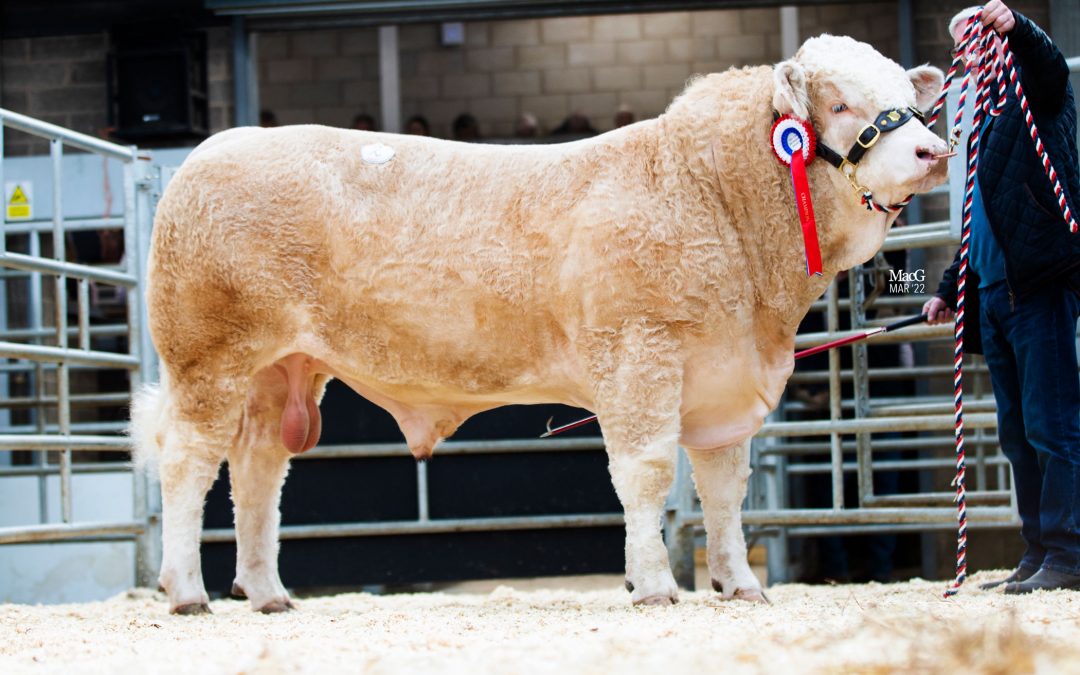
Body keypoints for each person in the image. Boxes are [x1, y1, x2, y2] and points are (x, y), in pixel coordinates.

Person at [923, 0, 1080, 594]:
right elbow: (982, 221)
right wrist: (945, 289)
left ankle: (1068, 551)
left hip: (1036, 287)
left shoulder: (1032, 102)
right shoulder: (980, 125)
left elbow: (1051, 69)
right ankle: (1039, 550)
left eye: (975, 39)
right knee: (1016, 432)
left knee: (1052, 424)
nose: (966, 54)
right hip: (993, 293)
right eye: (959, 45)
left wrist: (1019, 28)